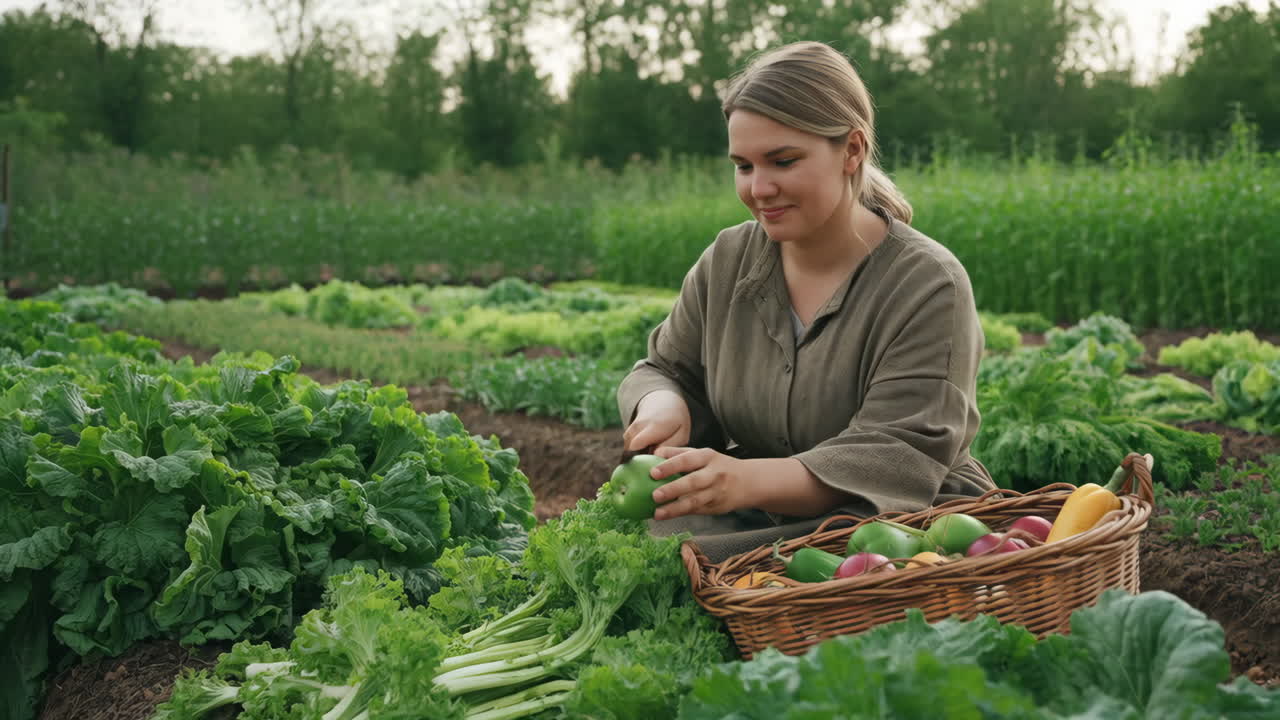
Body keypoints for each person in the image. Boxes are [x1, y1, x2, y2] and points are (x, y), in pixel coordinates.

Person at [615, 41, 996, 563]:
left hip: (896, 529)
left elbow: (895, 456)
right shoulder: (727, 259)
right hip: (757, 511)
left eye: (783, 160)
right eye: (743, 165)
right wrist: (664, 404)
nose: (759, 188)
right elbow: (663, 368)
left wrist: (744, 479)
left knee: (689, 565)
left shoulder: (927, 284)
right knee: (629, 548)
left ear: (852, 151)